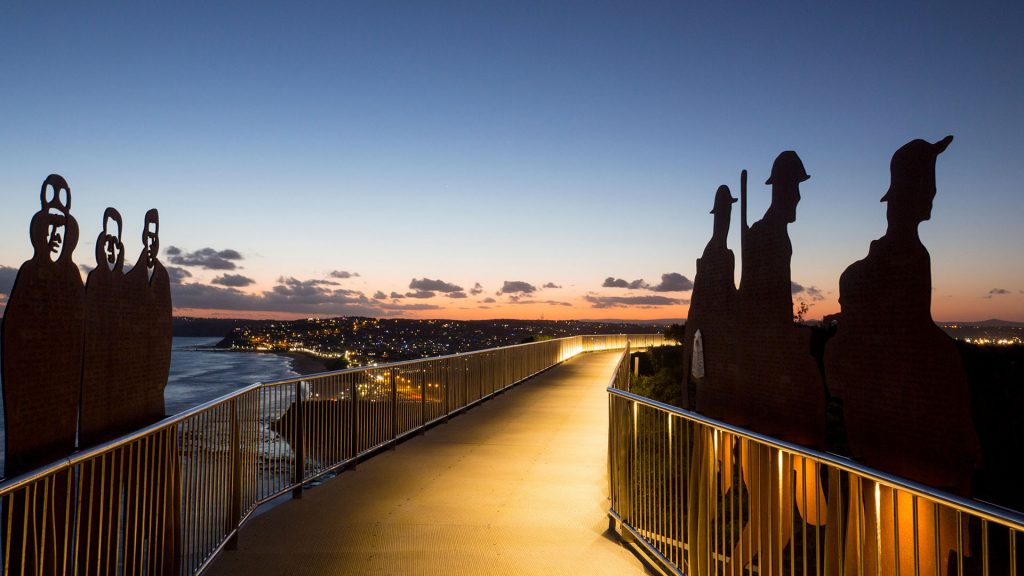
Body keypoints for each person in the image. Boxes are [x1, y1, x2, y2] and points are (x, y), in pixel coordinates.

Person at [825, 136, 979, 576]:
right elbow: (918, 343)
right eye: (928, 183)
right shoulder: (909, 257)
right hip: (903, 449)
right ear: (913, 188)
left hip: (876, 441)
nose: (934, 194)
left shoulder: (865, 271)